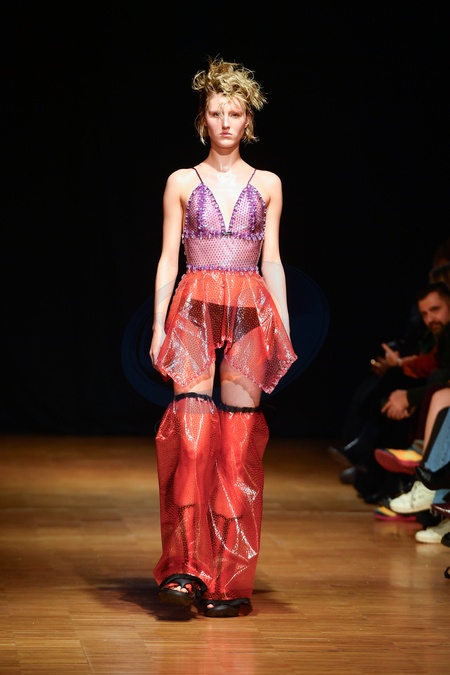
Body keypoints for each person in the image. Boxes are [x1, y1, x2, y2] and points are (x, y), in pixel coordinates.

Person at [148, 57, 297, 618]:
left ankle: (228, 578)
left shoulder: (269, 184)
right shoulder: (182, 181)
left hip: (250, 312)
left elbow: (272, 259)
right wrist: (158, 325)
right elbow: (168, 258)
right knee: (190, 438)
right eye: (217, 112)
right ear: (203, 119)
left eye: (235, 113)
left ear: (248, 119)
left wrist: (283, 326)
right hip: (193, 306)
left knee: (237, 446)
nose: (226, 122)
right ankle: (186, 568)